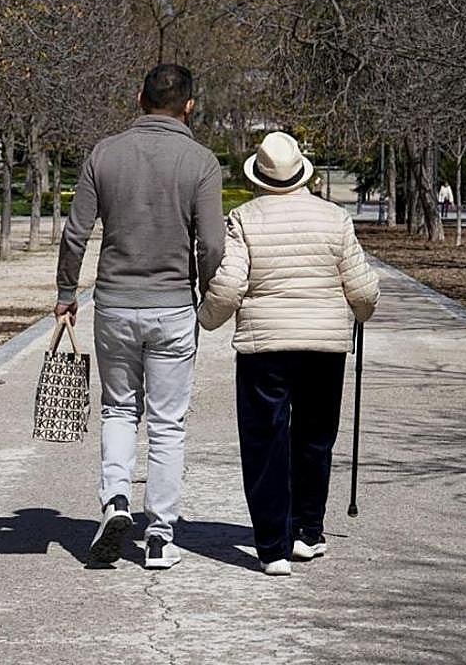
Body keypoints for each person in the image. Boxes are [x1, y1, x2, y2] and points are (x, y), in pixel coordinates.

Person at [54, 64, 225, 570]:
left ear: (139, 98)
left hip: (114, 303)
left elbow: (75, 233)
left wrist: (67, 292)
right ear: (189, 105)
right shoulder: (201, 161)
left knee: (118, 409)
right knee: (169, 424)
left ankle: (115, 501)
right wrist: (208, 289)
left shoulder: (103, 154)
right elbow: (212, 242)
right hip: (172, 305)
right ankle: (161, 533)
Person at [198, 132, 380, 576]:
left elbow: (229, 286)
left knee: (265, 442)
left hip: (266, 348)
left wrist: (207, 317)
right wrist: (361, 309)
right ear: (302, 173)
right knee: (315, 438)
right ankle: (307, 532)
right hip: (324, 346)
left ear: (260, 177)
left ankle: (273, 546)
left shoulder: (244, 219)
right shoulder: (334, 219)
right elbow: (363, 288)